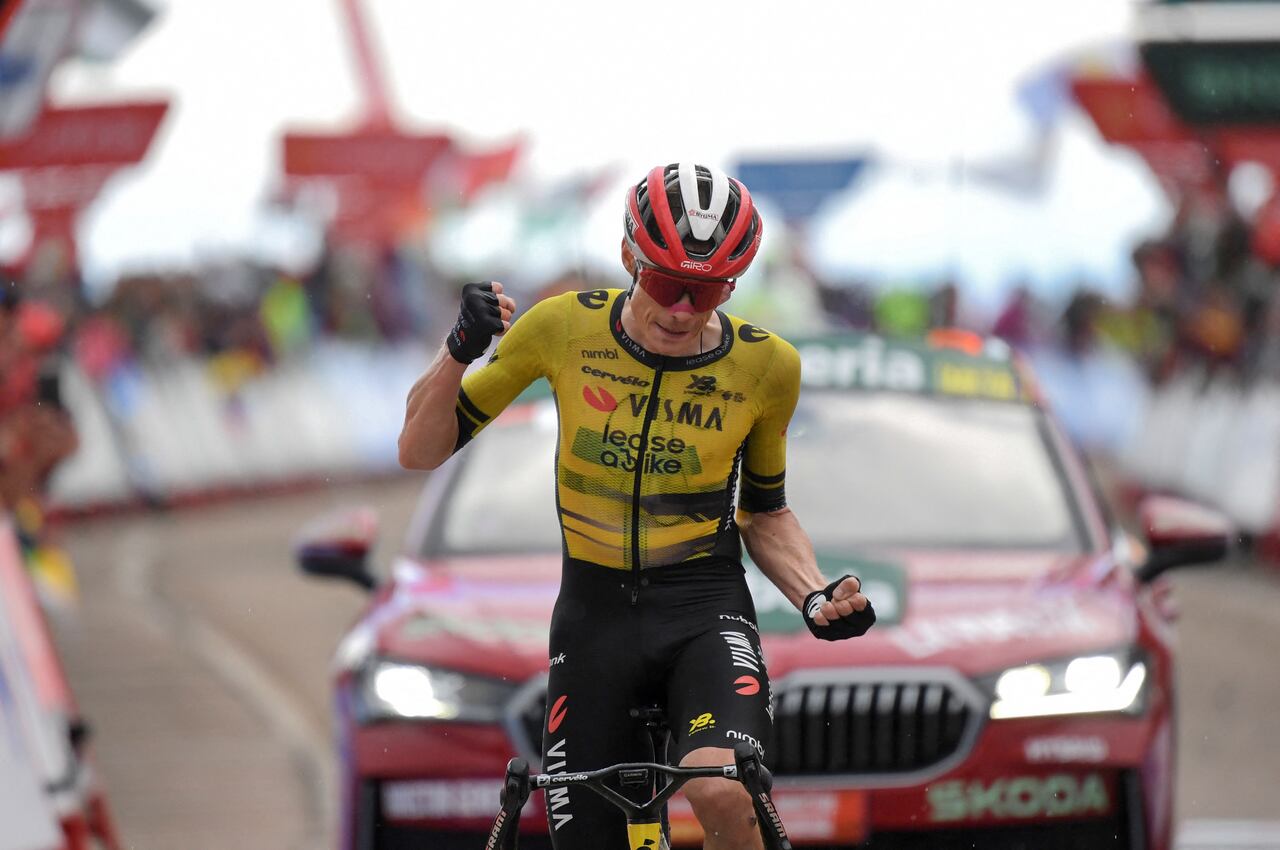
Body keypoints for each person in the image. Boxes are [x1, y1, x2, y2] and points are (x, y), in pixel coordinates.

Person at [399, 162, 875, 849]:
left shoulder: (768, 367)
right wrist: (458, 352)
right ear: (628, 255)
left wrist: (812, 595)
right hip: (594, 620)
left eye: (707, 290)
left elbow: (765, 512)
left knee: (724, 789)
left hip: (702, 610)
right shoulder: (561, 328)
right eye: (664, 282)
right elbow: (418, 449)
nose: (682, 308)